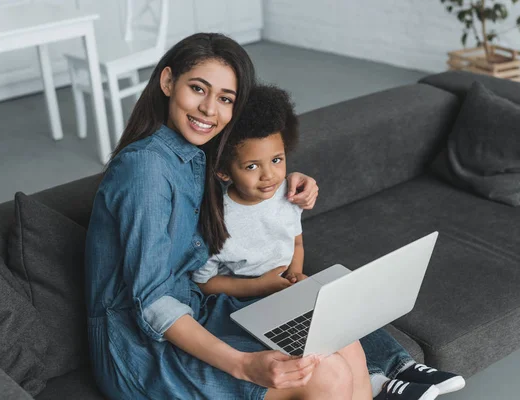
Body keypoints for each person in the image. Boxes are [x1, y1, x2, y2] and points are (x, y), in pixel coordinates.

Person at [84, 32, 370, 400]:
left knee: (338, 337)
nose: (208, 109)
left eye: (225, 99)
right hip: (134, 346)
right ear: (168, 81)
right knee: (323, 373)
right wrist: (243, 364)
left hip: (194, 308)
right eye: (198, 89)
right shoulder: (145, 170)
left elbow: (245, 174)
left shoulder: (198, 153)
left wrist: (289, 181)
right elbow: (151, 302)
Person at [192, 84, 466, 400]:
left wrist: (296, 274)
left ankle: (400, 368)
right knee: (319, 322)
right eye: (252, 166)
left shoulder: (285, 194)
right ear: (225, 173)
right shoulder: (219, 220)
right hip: (242, 300)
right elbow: (205, 284)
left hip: (281, 286)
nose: (269, 175)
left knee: (341, 302)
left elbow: (295, 243)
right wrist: (263, 286)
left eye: (277, 160)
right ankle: (379, 381)